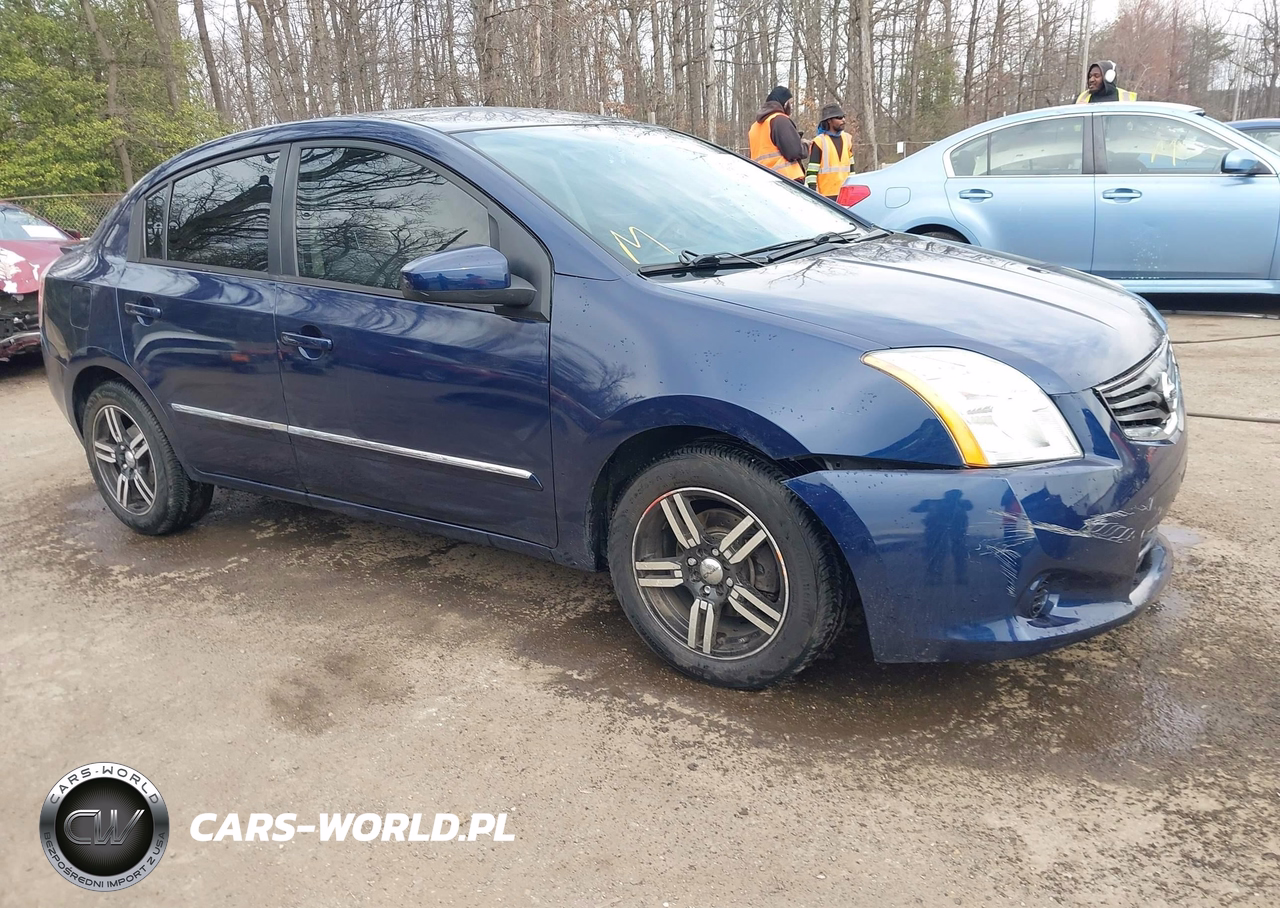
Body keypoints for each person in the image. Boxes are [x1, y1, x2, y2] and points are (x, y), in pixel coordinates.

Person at [748, 86, 807, 181]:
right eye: (790, 103)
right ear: (785, 103)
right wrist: (805, 145)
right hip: (786, 179)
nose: (791, 107)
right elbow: (794, 152)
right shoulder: (780, 120)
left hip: (762, 180)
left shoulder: (754, 127)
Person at [805, 103, 853, 199]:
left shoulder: (847, 139)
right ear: (829, 121)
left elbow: (852, 169)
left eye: (843, 117)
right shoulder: (819, 141)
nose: (843, 120)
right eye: (839, 117)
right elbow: (811, 173)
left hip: (845, 194)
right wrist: (814, 194)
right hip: (825, 196)